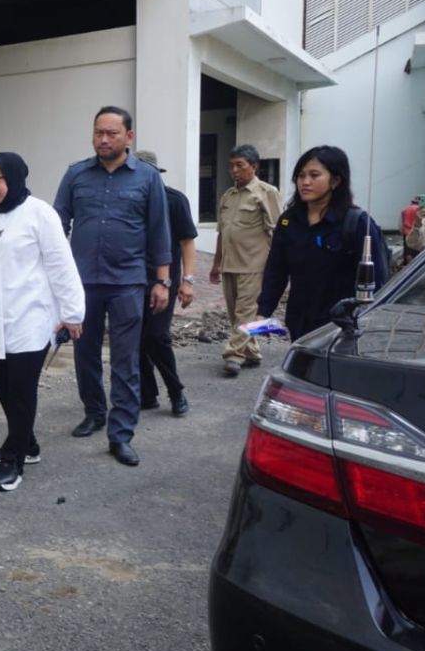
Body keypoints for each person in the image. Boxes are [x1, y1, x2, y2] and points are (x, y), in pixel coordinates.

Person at [0, 153, 84, 492]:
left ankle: (15, 459)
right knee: (2, 385)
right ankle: (29, 443)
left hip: (32, 318)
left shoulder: (40, 214)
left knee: (22, 390)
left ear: (15, 177)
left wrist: (72, 314)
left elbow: (61, 265)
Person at [53, 107, 171, 467]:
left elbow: (159, 231)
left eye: (112, 134)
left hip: (128, 283)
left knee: (125, 360)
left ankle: (121, 435)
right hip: (83, 283)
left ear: (129, 138)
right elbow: (57, 225)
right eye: (98, 133)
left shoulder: (148, 178)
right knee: (84, 353)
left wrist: (162, 280)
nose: (104, 140)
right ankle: (94, 412)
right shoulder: (76, 175)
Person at [257, 146, 389, 340]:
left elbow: (378, 281)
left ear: (335, 180)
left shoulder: (356, 223)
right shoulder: (289, 220)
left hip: (342, 328)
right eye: (301, 176)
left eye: (314, 175)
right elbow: (276, 270)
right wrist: (264, 312)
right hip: (299, 324)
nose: (305, 182)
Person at [209, 145, 283, 376]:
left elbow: (278, 231)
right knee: (235, 315)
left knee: (245, 313)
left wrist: (278, 266)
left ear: (254, 166)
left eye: (240, 165)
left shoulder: (266, 192)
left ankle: (233, 355)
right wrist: (216, 263)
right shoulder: (228, 196)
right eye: (231, 166)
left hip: (254, 265)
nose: (234, 170)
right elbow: (223, 232)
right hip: (230, 265)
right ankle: (252, 352)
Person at [133, 151, 197, 417]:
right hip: (133, 281)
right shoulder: (130, 201)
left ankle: (176, 391)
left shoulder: (174, 200)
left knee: (155, 336)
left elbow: (187, 242)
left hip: (164, 281)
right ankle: (147, 395)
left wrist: (188, 281)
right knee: (135, 340)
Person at [402, 197, 423, 264]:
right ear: (418, 202)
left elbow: (401, 223)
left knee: (408, 250)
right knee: (416, 249)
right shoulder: (420, 210)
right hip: (416, 232)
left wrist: (402, 231)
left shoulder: (405, 210)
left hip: (406, 232)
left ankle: (408, 265)